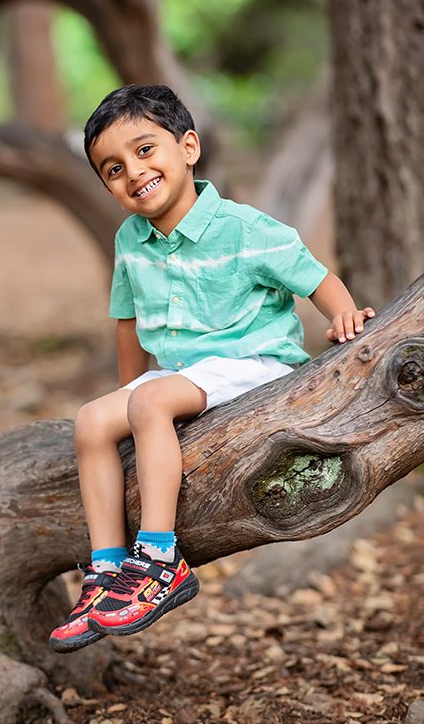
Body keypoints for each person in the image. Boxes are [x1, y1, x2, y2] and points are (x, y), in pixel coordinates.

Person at [49, 84, 374, 653]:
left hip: (254, 363)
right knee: (91, 422)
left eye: (146, 150)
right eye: (113, 168)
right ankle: (106, 570)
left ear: (189, 147)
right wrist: (127, 392)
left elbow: (315, 277)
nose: (133, 172)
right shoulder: (130, 239)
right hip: (185, 373)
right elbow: (128, 321)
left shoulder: (244, 228)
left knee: (150, 404)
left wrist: (345, 317)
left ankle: (159, 560)